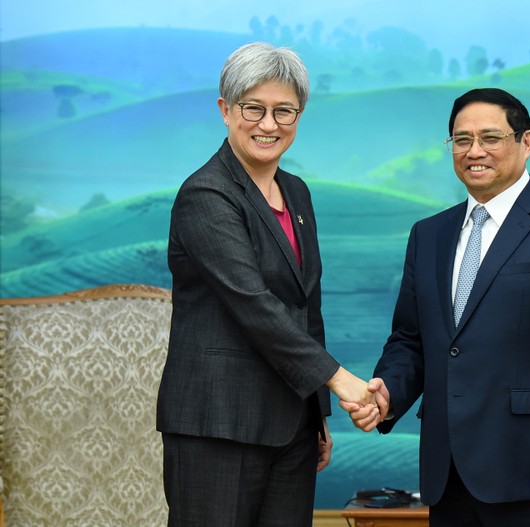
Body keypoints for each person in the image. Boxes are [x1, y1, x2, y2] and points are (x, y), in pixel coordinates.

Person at [343, 88, 530, 526]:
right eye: (461, 140)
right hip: (448, 474)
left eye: (490, 138)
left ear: (526, 142)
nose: (475, 151)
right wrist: (388, 393)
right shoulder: (428, 234)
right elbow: (411, 340)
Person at [156, 42, 380, 526]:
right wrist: (340, 380)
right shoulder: (206, 193)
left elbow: (306, 305)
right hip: (218, 425)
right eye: (254, 108)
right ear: (225, 110)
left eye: (285, 111)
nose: (269, 124)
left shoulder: (296, 192)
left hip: (291, 426)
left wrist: (316, 412)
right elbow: (252, 303)